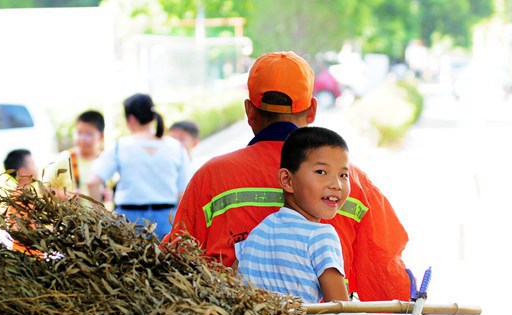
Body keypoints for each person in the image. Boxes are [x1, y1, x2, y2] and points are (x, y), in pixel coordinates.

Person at [166, 51, 410, 301]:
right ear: (312, 111)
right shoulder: (353, 183)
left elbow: (175, 269)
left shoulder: (210, 177)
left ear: (249, 111)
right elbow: (386, 282)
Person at [234, 126, 350, 302]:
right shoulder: (321, 235)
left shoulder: (258, 231)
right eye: (321, 172)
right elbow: (341, 311)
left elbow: (232, 283)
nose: (337, 185)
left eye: (343, 175)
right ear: (287, 180)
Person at [87, 93, 191, 240]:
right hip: (167, 222)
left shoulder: (121, 146)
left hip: (128, 222)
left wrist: (99, 217)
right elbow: (184, 193)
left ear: (131, 119)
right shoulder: (176, 147)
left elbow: (92, 181)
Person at [61, 110, 105, 196]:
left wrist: (111, 195)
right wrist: (64, 195)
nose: (82, 139)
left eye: (89, 134)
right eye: (79, 132)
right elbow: (42, 189)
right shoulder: (64, 159)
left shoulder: (107, 161)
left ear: (101, 137)